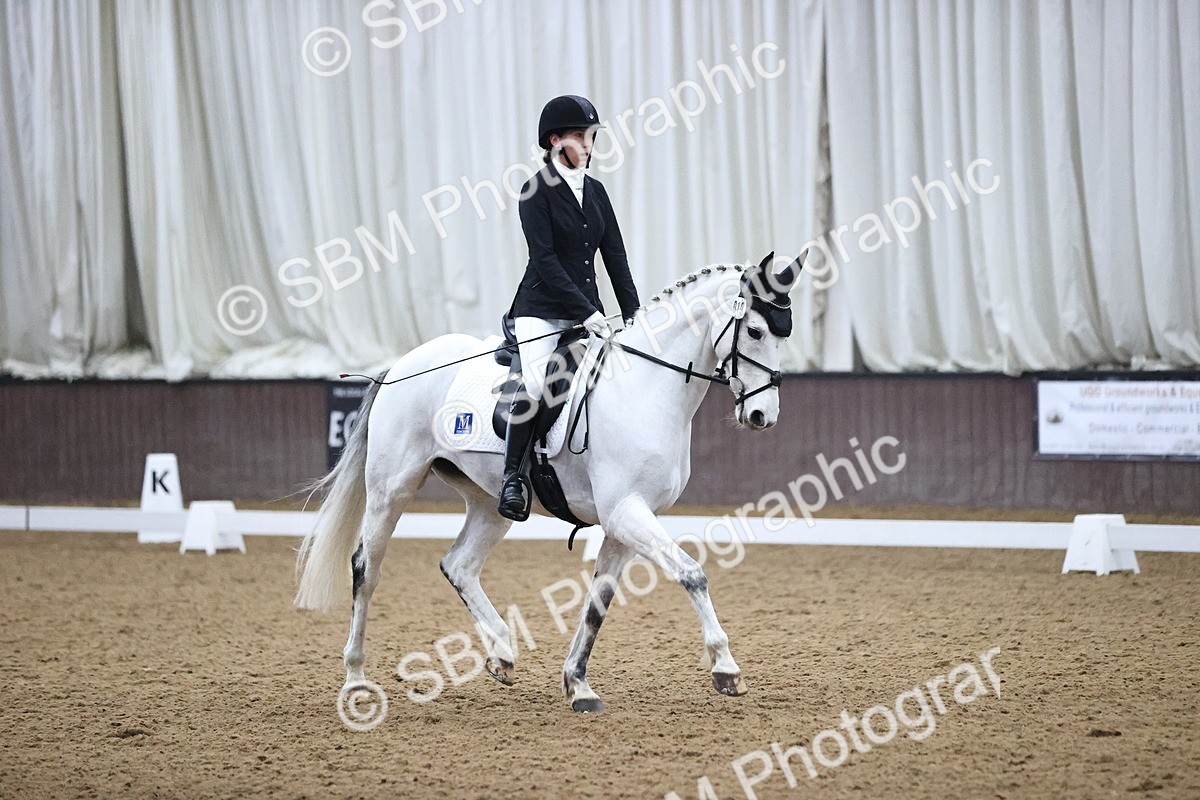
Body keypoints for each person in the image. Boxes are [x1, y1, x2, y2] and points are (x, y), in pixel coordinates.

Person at [497, 94, 641, 521]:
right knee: (540, 384)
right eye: (581, 136)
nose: (589, 145)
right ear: (556, 140)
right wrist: (588, 312)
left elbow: (615, 257)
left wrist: (634, 316)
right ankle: (512, 479)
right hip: (539, 311)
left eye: (592, 137)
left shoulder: (596, 192)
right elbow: (546, 262)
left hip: (585, 313)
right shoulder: (534, 191)